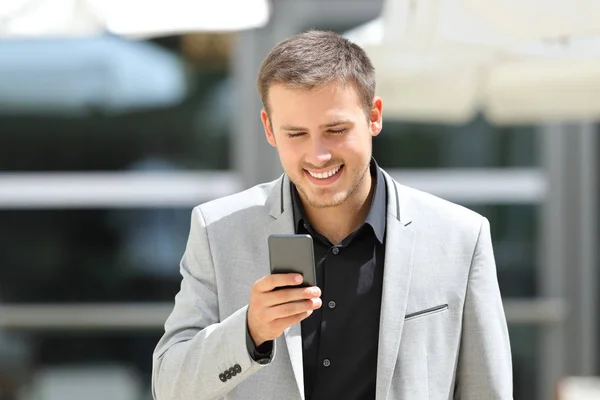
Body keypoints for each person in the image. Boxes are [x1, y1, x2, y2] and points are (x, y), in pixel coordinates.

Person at [152, 30, 513, 400]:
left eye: (335, 130)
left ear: (374, 117)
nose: (318, 155)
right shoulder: (218, 231)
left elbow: (488, 391)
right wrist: (250, 330)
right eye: (296, 134)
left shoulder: (460, 237)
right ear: (268, 129)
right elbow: (168, 386)